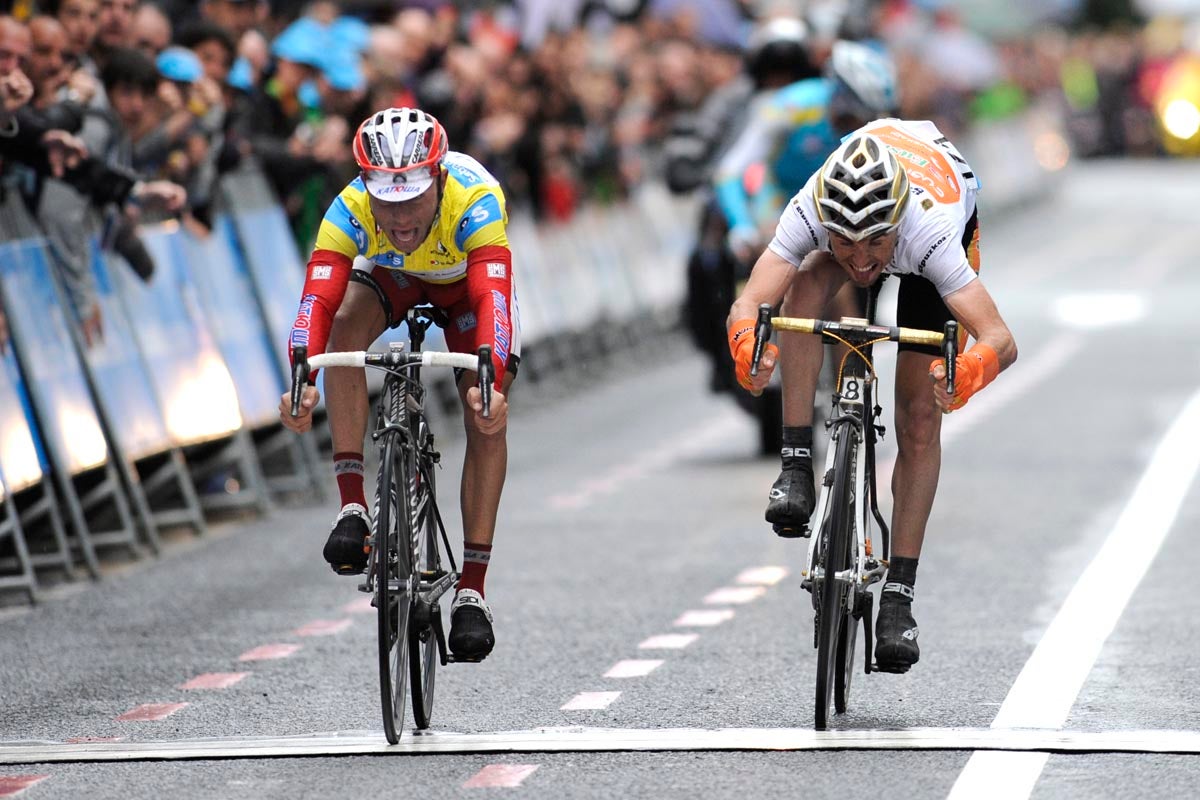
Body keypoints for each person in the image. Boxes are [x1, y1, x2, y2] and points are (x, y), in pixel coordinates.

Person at [726, 120, 1017, 672]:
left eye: (875, 243)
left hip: (940, 198)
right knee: (802, 287)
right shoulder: (811, 207)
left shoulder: (930, 233)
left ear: (896, 225)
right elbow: (749, 304)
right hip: (861, 209)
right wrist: (746, 344)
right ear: (826, 222)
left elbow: (1000, 338)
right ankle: (796, 464)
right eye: (846, 242)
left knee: (919, 418)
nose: (861, 260)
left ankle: (899, 598)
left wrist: (969, 370)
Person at [279, 107, 518, 662]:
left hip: (464, 287)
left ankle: (473, 591)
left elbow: (493, 301)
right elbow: (316, 302)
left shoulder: (476, 199)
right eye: (386, 201)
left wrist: (489, 378)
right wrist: (300, 377)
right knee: (343, 328)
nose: (400, 216)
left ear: (438, 179)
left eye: (412, 199)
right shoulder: (350, 207)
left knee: (485, 409)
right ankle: (353, 507)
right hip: (395, 277)